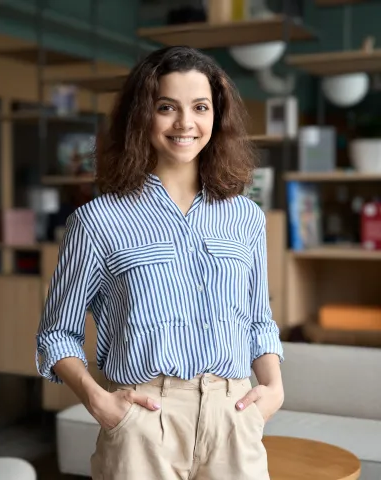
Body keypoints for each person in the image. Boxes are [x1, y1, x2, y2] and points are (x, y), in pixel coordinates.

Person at [36, 45, 284, 480]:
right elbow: (57, 334)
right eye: (166, 107)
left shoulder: (245, 217)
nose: (185, 123)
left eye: (200, 107)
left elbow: (259, 321)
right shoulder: (98, 221)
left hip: (234, 416)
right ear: (141, 116)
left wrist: (275, 390)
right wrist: (99, 401)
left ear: (217, 117)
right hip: (142, 422)